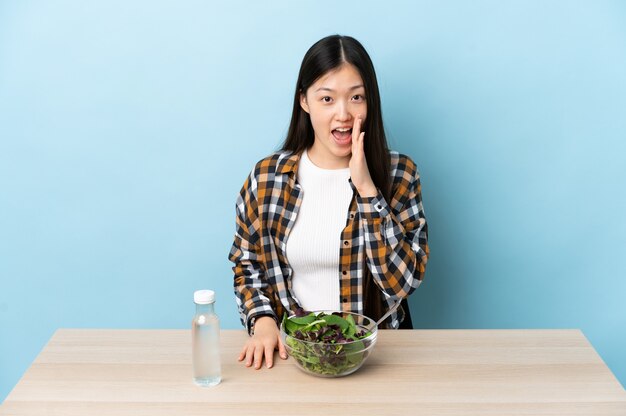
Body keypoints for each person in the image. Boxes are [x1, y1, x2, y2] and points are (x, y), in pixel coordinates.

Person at [228, 34, 429, 370]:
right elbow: (247, 264)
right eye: (327, 99)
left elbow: (402, 282)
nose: (343, 114)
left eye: (356, 97)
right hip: (293, 355)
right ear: (304, 101)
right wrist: (262, 321)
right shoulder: (267, 178)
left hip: (379, 358)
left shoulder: (400, 175)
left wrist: (366, 188)